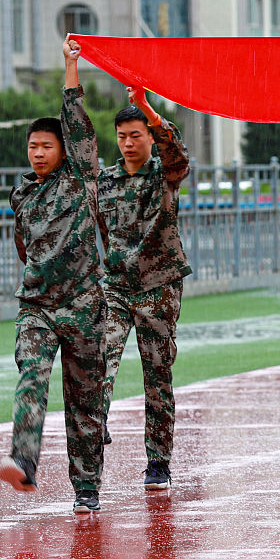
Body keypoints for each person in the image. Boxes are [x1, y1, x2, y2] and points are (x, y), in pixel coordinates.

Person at [0, 37, 106, 515]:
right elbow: (24, 248)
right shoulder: (21, 196)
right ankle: (24, 460)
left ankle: (86, 488)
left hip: (83, 306)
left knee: (85, 402)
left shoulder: (81, 177)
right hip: (38, 306)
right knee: (31, 377)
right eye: (32, 147)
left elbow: (79, 124)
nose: (38, 153)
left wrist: (70, 67)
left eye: (46, 146)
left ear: (64, 149)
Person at [97, 87, 192, 491]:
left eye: (136, 135)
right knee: (100, 356)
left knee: (157, 376)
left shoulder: (165, 173)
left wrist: (151, 110)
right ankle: (94, 423)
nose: (128, 143)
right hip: (117, 287)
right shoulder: (107, 180)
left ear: (150, 137)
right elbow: (104, 230)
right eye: (122, 136)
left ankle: (158, 461)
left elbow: (178, 154)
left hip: (159, 288)